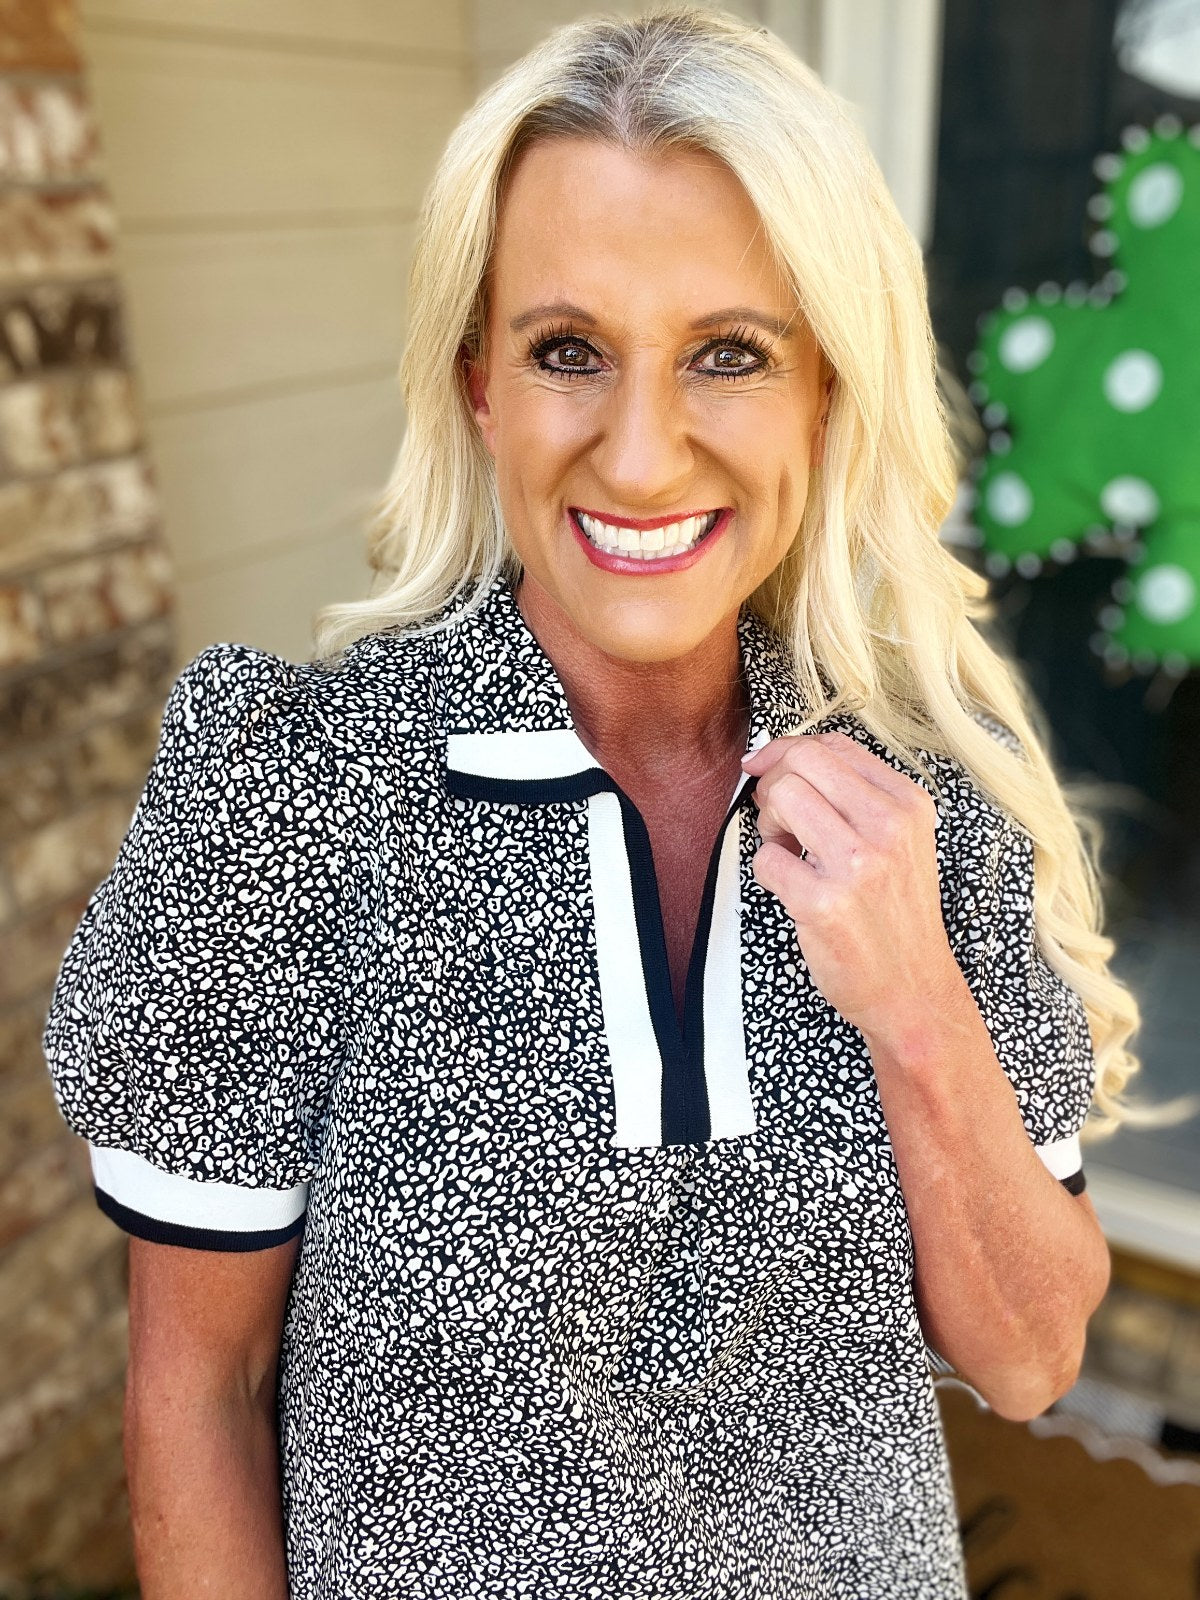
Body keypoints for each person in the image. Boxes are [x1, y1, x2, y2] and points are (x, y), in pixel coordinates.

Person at [42, 7, 1139, 1597]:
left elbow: (1033, 1359)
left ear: (825, 391)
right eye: (568, 352)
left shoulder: (919, 809)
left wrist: (914, 1006)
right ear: (480, 381)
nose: (639, 452)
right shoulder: (291, 796)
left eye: (729, 354)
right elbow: (195, 1397)